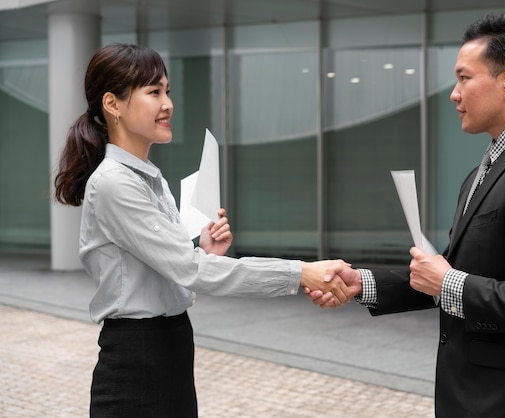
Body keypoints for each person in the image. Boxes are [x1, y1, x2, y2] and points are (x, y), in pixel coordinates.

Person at [309, 11, 505, 417]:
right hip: (479, 396)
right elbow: (455, 268)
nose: (453, 94)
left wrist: (449, 283)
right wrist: (361, 284)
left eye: (464, 78)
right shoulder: (485, 170)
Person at [53, 43, 350, 418]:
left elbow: (175, 271)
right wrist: (300, 272)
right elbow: (188, 270)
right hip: (137, 358)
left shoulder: (149, 178)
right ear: (112, 104)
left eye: (167, 91)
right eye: (154, 92)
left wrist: (205, 252)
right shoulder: (114, 182)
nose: (167, 104)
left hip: (170, 347)